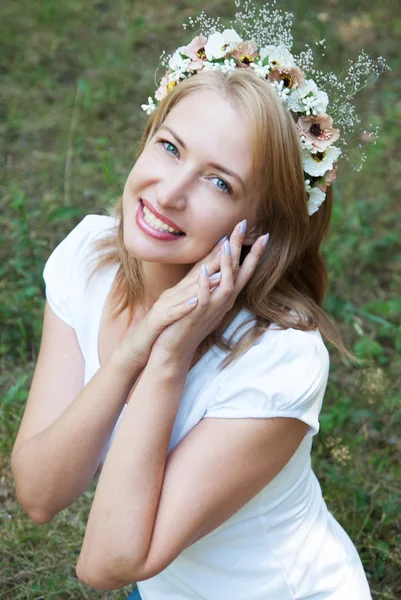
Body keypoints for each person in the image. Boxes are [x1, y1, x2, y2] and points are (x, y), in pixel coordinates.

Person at [10, 4, 382, 598]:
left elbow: (105, 566)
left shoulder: (279, 358)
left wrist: (168, 357)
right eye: (170, 147)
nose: (170, 192)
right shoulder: (87, 257)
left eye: (219, 182)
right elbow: (38, 493)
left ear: (260, 227)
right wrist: (136, 347)